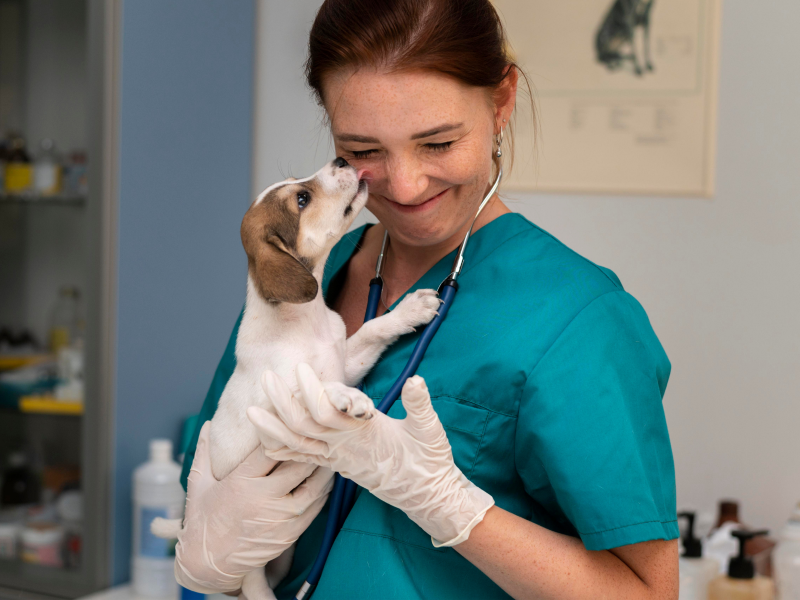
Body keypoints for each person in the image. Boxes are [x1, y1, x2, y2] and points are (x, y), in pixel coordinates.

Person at [176, 0, 680, 598]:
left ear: (501, 102)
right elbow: (212, 478)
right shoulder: (302, 285)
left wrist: (452, 508)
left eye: (438, 143)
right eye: (363, 151)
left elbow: (647, 593)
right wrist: (213, 561)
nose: (407, 185)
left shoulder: (580, 321)